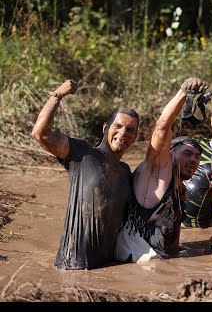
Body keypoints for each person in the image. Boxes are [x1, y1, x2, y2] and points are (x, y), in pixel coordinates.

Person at [31, 79, 139, 270]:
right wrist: (57, 96)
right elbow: (40, 134)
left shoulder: (125, 172)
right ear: (105, 128)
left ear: (135, 138)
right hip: (73, 266)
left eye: (130, 130)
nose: (123, 133)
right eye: (118, 126)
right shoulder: (82, 154)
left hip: (110, 268)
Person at [115, 78, 206, 263]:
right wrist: (183, 93)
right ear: (170, 153)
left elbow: (171, 242)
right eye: (187, 153)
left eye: (197, 157)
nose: (193, 160)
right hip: (137, 266)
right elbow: (162, 127)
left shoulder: (180, 191)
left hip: (160, 262)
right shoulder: (156, 172)